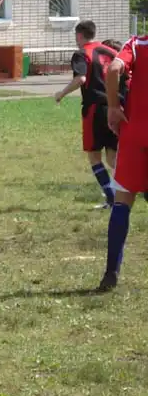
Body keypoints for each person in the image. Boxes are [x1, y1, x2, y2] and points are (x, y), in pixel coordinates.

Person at [97, 34, 148, 291]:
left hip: (135, 133)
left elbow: (114, 68)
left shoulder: (137, 44)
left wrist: (113, 107)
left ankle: (111, 274)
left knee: (122, 204)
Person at [54, 20, 120, 209]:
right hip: (116, 107)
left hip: (95, 109)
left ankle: (111, 198)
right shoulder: (112, 52)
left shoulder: (82, 53)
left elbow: (81, 78)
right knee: (113, 157)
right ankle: (130, 188)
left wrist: (61, 94)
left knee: (94, 156)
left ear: (79, 35)